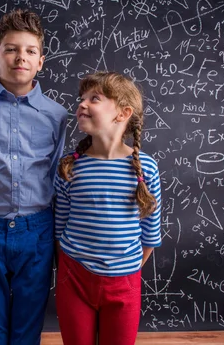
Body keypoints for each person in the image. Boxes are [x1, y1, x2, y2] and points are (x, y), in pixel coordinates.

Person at [0, 9, 68, 345]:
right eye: (10, 49)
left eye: (30, 51)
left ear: (41, 62)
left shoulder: (56, 116)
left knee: (26, 328)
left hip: (37, 231)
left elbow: (55, 175)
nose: (20, 57)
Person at [54, 71, 162, 345]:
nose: (82, 104)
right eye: (81, 99)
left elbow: (150, 231)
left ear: (122, 113)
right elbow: (59, 225)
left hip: (124, 282)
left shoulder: (145, 168)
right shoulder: (70, 166)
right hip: (74, 278)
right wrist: (66, 270)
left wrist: (126, 271)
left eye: (95, 99)